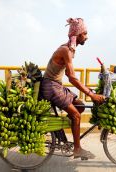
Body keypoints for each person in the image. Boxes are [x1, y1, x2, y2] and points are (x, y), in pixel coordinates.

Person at [40, 18, 105, 159]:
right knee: (76, 115)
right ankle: (77, 149)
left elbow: (71, 77)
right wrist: (91, 94)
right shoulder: (66, 50)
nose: (87, 37)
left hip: (55, 85)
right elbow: (72, 77)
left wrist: (89, 90)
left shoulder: (69, 49)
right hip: (51, 87)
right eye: (85, 33)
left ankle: (63, 130)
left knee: (80, 106)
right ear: (78, 34)